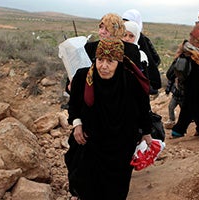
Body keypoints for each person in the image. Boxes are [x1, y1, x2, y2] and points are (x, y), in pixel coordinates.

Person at [65, 38, 153, 200]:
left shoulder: (130, 80)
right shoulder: (83, 77)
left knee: (116, 188)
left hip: (121, 144)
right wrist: (77, 124)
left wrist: (146, 132)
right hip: (90, 141)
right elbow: (74, 105)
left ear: (119, 62)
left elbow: (143, 108)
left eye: (110, 61)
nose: (103, 66)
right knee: (87, 183)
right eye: (100, 60)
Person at [122, 9, 162, 95]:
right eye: (123, 21)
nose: (127, 38)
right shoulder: (119, 41)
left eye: (127, 21)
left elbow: (154, 60)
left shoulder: (142, 40)